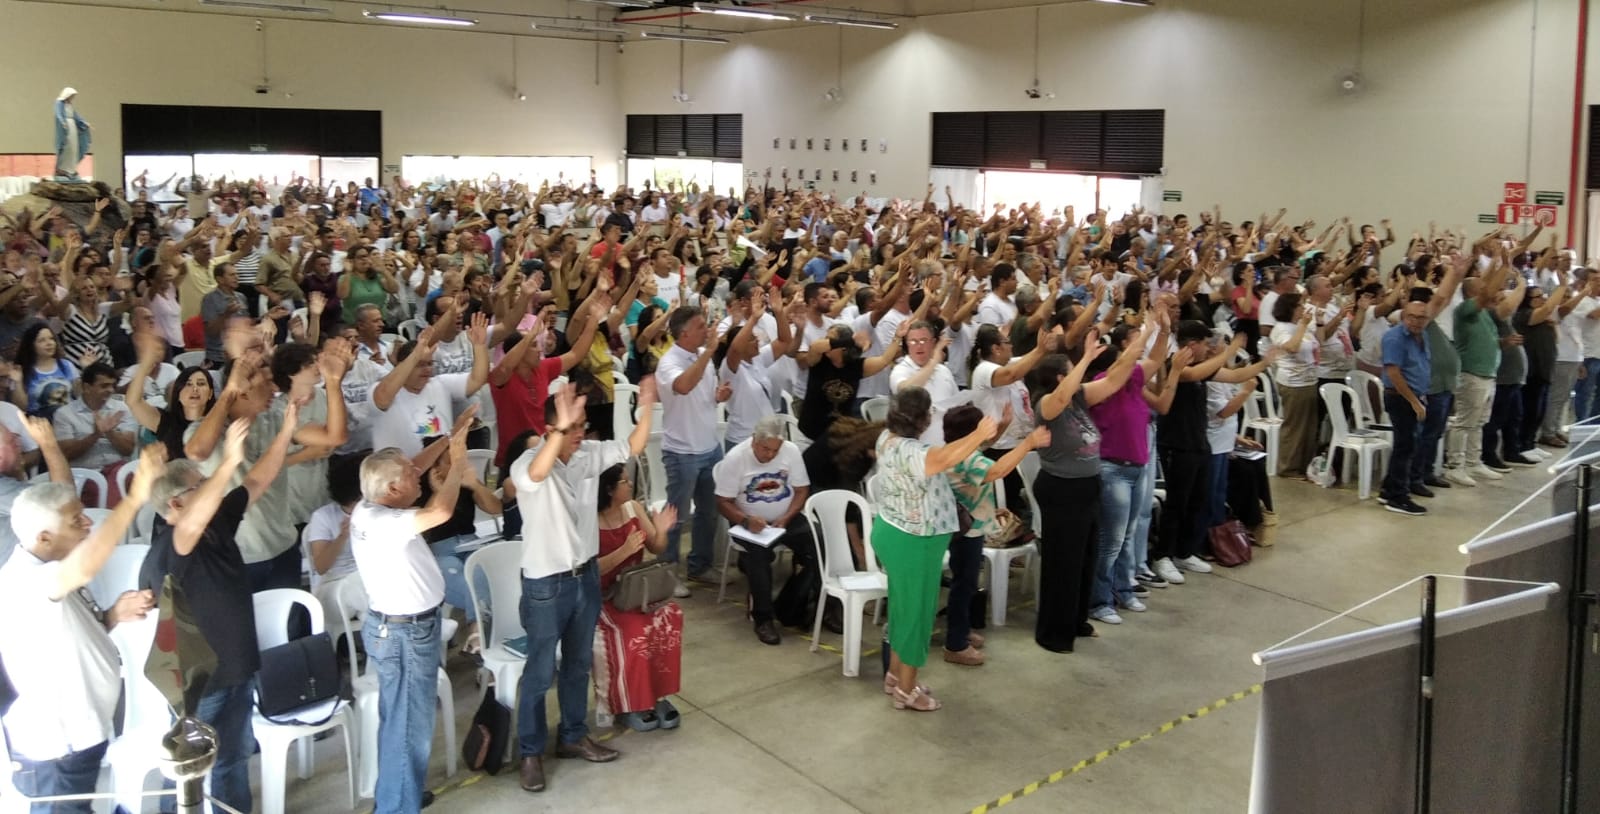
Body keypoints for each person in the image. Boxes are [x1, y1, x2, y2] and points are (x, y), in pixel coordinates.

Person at [140, 407, 296, 814]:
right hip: (198, 684)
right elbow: (188, 530)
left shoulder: (215, 524)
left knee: (233, 760)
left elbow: (258, 479)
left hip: (237, 667)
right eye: (202, 486)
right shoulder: (173, 544)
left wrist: (286, 432)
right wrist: (227, 460)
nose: (212, 489)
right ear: (176, 503)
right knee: (184, 772)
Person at [507, 384, 655, 793]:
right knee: (540, 671)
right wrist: (559, 430)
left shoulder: (589, 455)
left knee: (577, 664)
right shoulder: (527, 462)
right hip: (545, 583)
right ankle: (531, 751)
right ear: (551, 428)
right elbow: (536, 474)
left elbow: (632, 446)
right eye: (571, 428)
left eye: (581, 427)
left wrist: (645, 407)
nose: (579, 435)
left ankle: (573, 735)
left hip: (584, 575)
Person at [0, 437, 156, 814]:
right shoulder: (26, 580)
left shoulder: (54, 571)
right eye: (76, 520)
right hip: (57, 748)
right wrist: (134, 499)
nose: (88, 521)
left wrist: (113, 615)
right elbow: (88, 563)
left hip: (82, 735)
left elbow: (77, 634)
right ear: (43, 537)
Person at [350, 428, 470, 814]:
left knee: (398, 721)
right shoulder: (387, 521)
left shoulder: (373, 508)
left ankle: (396, 794)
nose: (417, 474)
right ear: (390, 489)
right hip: (405, 633)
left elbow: (411, 469)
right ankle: (397, 807)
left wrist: (449, 440)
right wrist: (458, 465)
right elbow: (442, 511)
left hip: (399, 629)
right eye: (409, 474)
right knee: (408, 729)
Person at [871, 386, 995, 712]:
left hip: (896, 534)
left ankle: (896, 676)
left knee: (902, 610)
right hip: (914, 541)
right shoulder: (914, 452)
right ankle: (907, 691)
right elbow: (941, 459)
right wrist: (980, 433)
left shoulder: (886, 439)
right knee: (917, 615)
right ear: (924, 419)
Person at [939, 405, 1048, 666]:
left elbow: (984, 447)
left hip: (964, 528)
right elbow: (997, 470)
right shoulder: (968, 460)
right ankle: (955, 643)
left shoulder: (956, 449)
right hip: (967, 531)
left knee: (964, 584)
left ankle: (961, 631)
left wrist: (1003, 425)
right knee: (963, 586)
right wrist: (1028, 443)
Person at [593, 464, 682, 732]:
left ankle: (657, 695)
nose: (630, 484)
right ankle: (629, 703)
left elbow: (656, 547)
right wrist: (624, 551)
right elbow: (590, 571)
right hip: (606, 598)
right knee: (634, 633)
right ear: (608, 489)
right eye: (623, 481)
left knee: (670, 618)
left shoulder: (633, 508)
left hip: (638, 592)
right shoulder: (588, 520)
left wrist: (662, 529)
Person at [713, 416, 816, 645]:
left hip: (785, 517)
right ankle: (763, 618)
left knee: (818, 548)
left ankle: (790, 606)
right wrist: (745, 519)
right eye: (765, 449)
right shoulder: (736, 458)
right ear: (753, 441)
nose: (769, 455)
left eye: (774, 451)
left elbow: (801, 490)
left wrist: (787, 516)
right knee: (758, 559)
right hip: (748, 521)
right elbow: (722, 501)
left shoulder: (790, 451)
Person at [654, 306, 732, 583]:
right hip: (681, 452)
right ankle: (667, 572)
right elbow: (684, 386)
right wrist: (710, 352)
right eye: (701, 326)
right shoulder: (668, 362)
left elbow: (704, 395)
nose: (708, 330)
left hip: (709, 447)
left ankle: (699, 565)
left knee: (709, 513)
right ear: (684, 333)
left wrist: (718, 396)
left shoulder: (701, 356)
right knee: (676, 516)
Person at [1378, 300, 1433, 516]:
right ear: (1403, 316)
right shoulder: (1395, 338)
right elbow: (1393, 373)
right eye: (1411, 316)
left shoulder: (1423, 336)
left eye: (1421, 317)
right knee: (1405, 446)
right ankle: (1397, 497)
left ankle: (1388, 488)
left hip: (1416, 396)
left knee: (1409, 444)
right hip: (1400, 398)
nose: (1416, 321)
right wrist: (1413, 401)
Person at [1266, 293, 1318, 478]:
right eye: (1300, 306)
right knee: (1295, 426)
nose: (1303, 308)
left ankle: (1304, 465)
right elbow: (1292, 348)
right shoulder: (1281, 328)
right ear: (1290, 308)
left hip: (1309, 380)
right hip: (1293, 382)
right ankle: (1288, 467)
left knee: (1309, 427)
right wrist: (1303, 325)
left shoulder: (1298, 326)